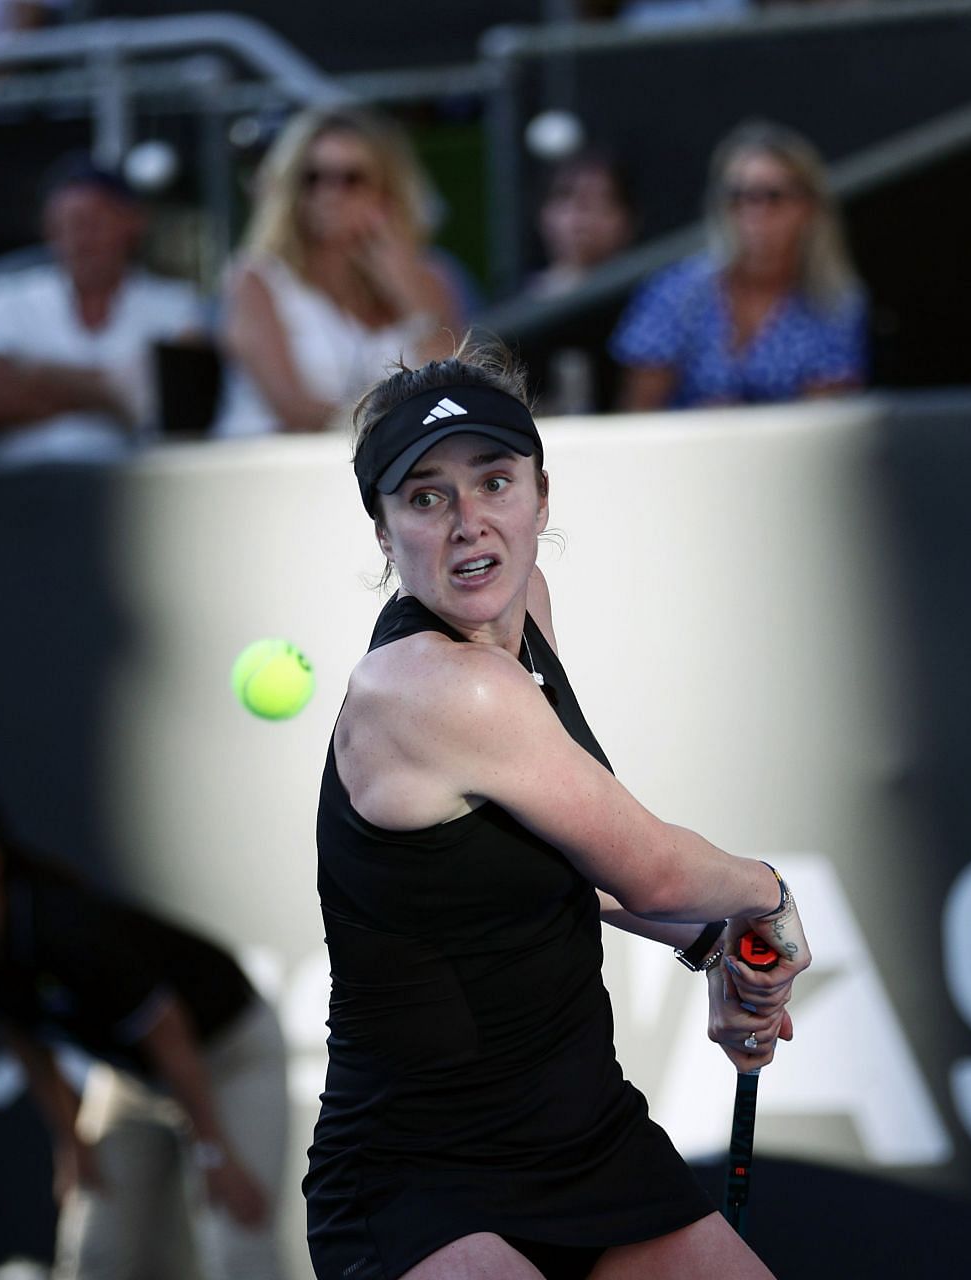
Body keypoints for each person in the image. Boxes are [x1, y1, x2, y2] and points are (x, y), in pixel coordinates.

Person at [306, 339, 812, 1279]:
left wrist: (707, 947)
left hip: (585, 1143)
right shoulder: (428, 687)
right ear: (384, 535)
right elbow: (647, 867)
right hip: (423, 1182)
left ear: (543, 496)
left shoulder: (526, 610)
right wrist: (763, 895)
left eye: (495, 482)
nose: (468, 523)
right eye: (426, 498)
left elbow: (575, 860)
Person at [0, 783, 289, 1279]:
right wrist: (70, 1140)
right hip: (131, 1077)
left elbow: (168, 1032)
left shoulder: (65, 927)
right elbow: (22, 1035)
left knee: (237, 1249)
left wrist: (215, 1151)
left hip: (225, 1057)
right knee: (96, 1255)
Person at [213, 108, 464, 438]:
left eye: (351, 179)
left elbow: (457, 391)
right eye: (312, 178)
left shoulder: (429, 276)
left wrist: (408, 295)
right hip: (274, 470)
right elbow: (293, 409)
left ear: (386, 190)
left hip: (387, 475)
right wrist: (400, 426)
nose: (329, 194)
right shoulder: (257, 281)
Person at [0, 155, 203, 465]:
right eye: (64, 225)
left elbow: (182, 410)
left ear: (132, 223)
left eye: (92, 222)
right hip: (24, 490)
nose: (79, 239)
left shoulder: (175, 303)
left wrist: (39, 377)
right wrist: (118, 391)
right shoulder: (6, 296)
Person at [612, 119, 865, 411]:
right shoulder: (675, 292)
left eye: (773, 196)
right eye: (739, 197)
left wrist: (743, 424)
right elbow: (638, 414)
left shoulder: (835, 302)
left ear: (808, 206)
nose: (754, 212)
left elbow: (827, 422)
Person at [524, 148, 637, 302]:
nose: (580, 213)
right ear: (543, 214)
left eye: (599, 199)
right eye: (565, 197)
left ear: (627, 219)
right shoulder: (515, 302)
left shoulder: (647, 296)